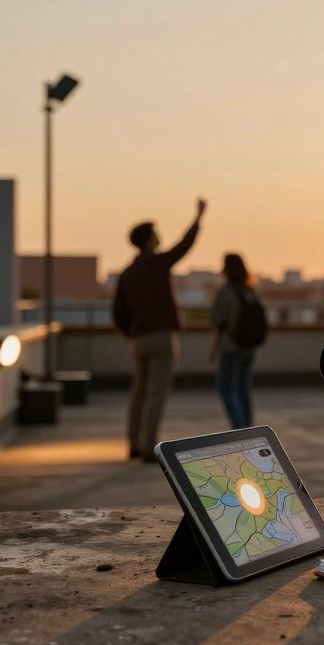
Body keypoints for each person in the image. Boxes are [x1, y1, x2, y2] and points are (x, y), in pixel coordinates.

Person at [113, 197, 206, 462]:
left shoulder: (127, 272)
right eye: (156, 235)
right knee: (156, 393)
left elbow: (118, 311)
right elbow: (184, 246)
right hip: (161, 337)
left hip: (138, 339)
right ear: (149, 240)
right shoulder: (157, 263)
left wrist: (130, 333)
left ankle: (132, 443)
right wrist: (198, 218)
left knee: (138, 393)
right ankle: (148, 446)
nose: (159, 238)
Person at [208, 253, 265, 429]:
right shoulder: (250, 291)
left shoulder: (226, 293)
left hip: (230, 347)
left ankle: (238, 427)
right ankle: (247, 428)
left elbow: (217, 321)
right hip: (249, 347)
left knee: (225, 389)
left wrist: (214, 348)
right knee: (243, 389)